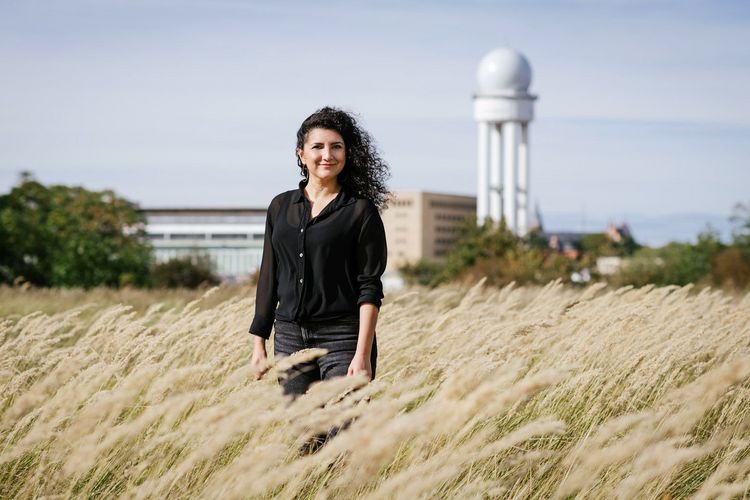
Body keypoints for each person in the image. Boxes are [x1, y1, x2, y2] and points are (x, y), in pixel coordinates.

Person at [248, 106, 390, 398]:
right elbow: (269, 276)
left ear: (347, 153)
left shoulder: (360, 211)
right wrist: (259, 344)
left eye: (336, 147)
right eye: (318, 147)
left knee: (343, 433)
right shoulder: (280, 207)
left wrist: (362, 354)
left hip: (343, 337)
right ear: (301, 153)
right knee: (304, 436)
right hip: (288, 336)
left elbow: (370, 287)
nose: (328, 155)